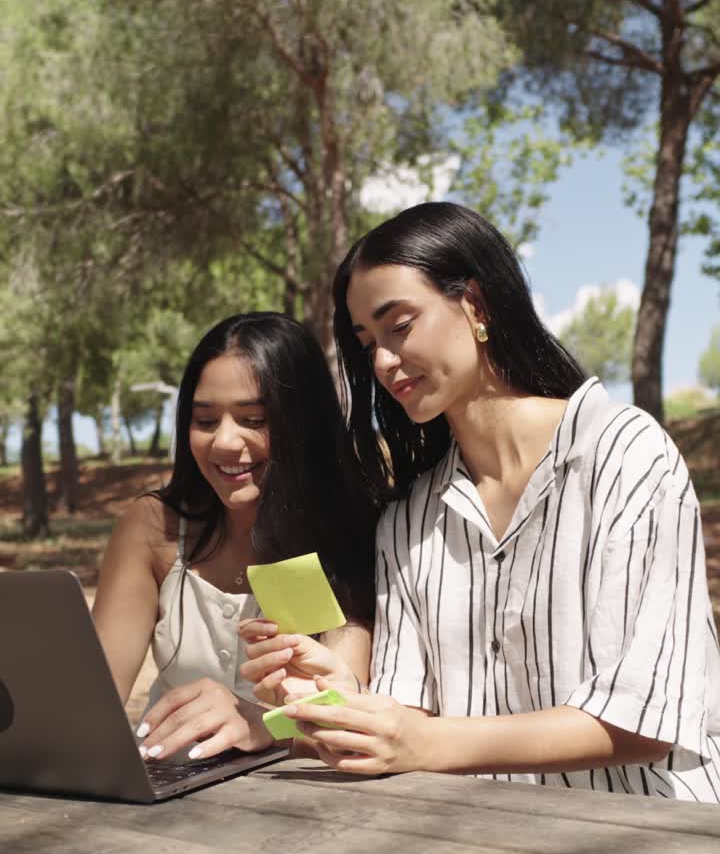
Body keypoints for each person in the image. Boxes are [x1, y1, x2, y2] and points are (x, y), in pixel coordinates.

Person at [241, 203, 720, 800]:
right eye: (367, 343)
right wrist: (333, 698)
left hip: (652, 844)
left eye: (400, 325)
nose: (384, 361)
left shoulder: (625, 455)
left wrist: (423, 741)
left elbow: (643, 718)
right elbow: (402, 718)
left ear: (476, 304)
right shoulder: (407, 520)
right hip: (479, 848)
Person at [92, 311, 376, 762]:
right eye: (205, 421)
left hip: (302, 806)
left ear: (302, 425)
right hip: (166, 793)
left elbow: (341, 713)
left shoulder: (348, 536)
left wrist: (259, 724)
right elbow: (92, 705)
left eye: (254, 419)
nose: (225, 441)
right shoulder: (152, 527)